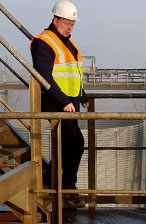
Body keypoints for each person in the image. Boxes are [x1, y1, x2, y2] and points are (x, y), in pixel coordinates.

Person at [30, 0, 87, 208]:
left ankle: (52, 180)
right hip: (55, 102)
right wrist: (64, 101)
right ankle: (68, 189)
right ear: (55, 20)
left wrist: (83, 95)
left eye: (72, 23)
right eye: (66, 23)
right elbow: (44, 76)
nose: (70, 27)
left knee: (65, 147)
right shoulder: (44, 42)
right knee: (75, 142)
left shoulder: (68, 43)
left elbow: (72, 73)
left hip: (70, 102)